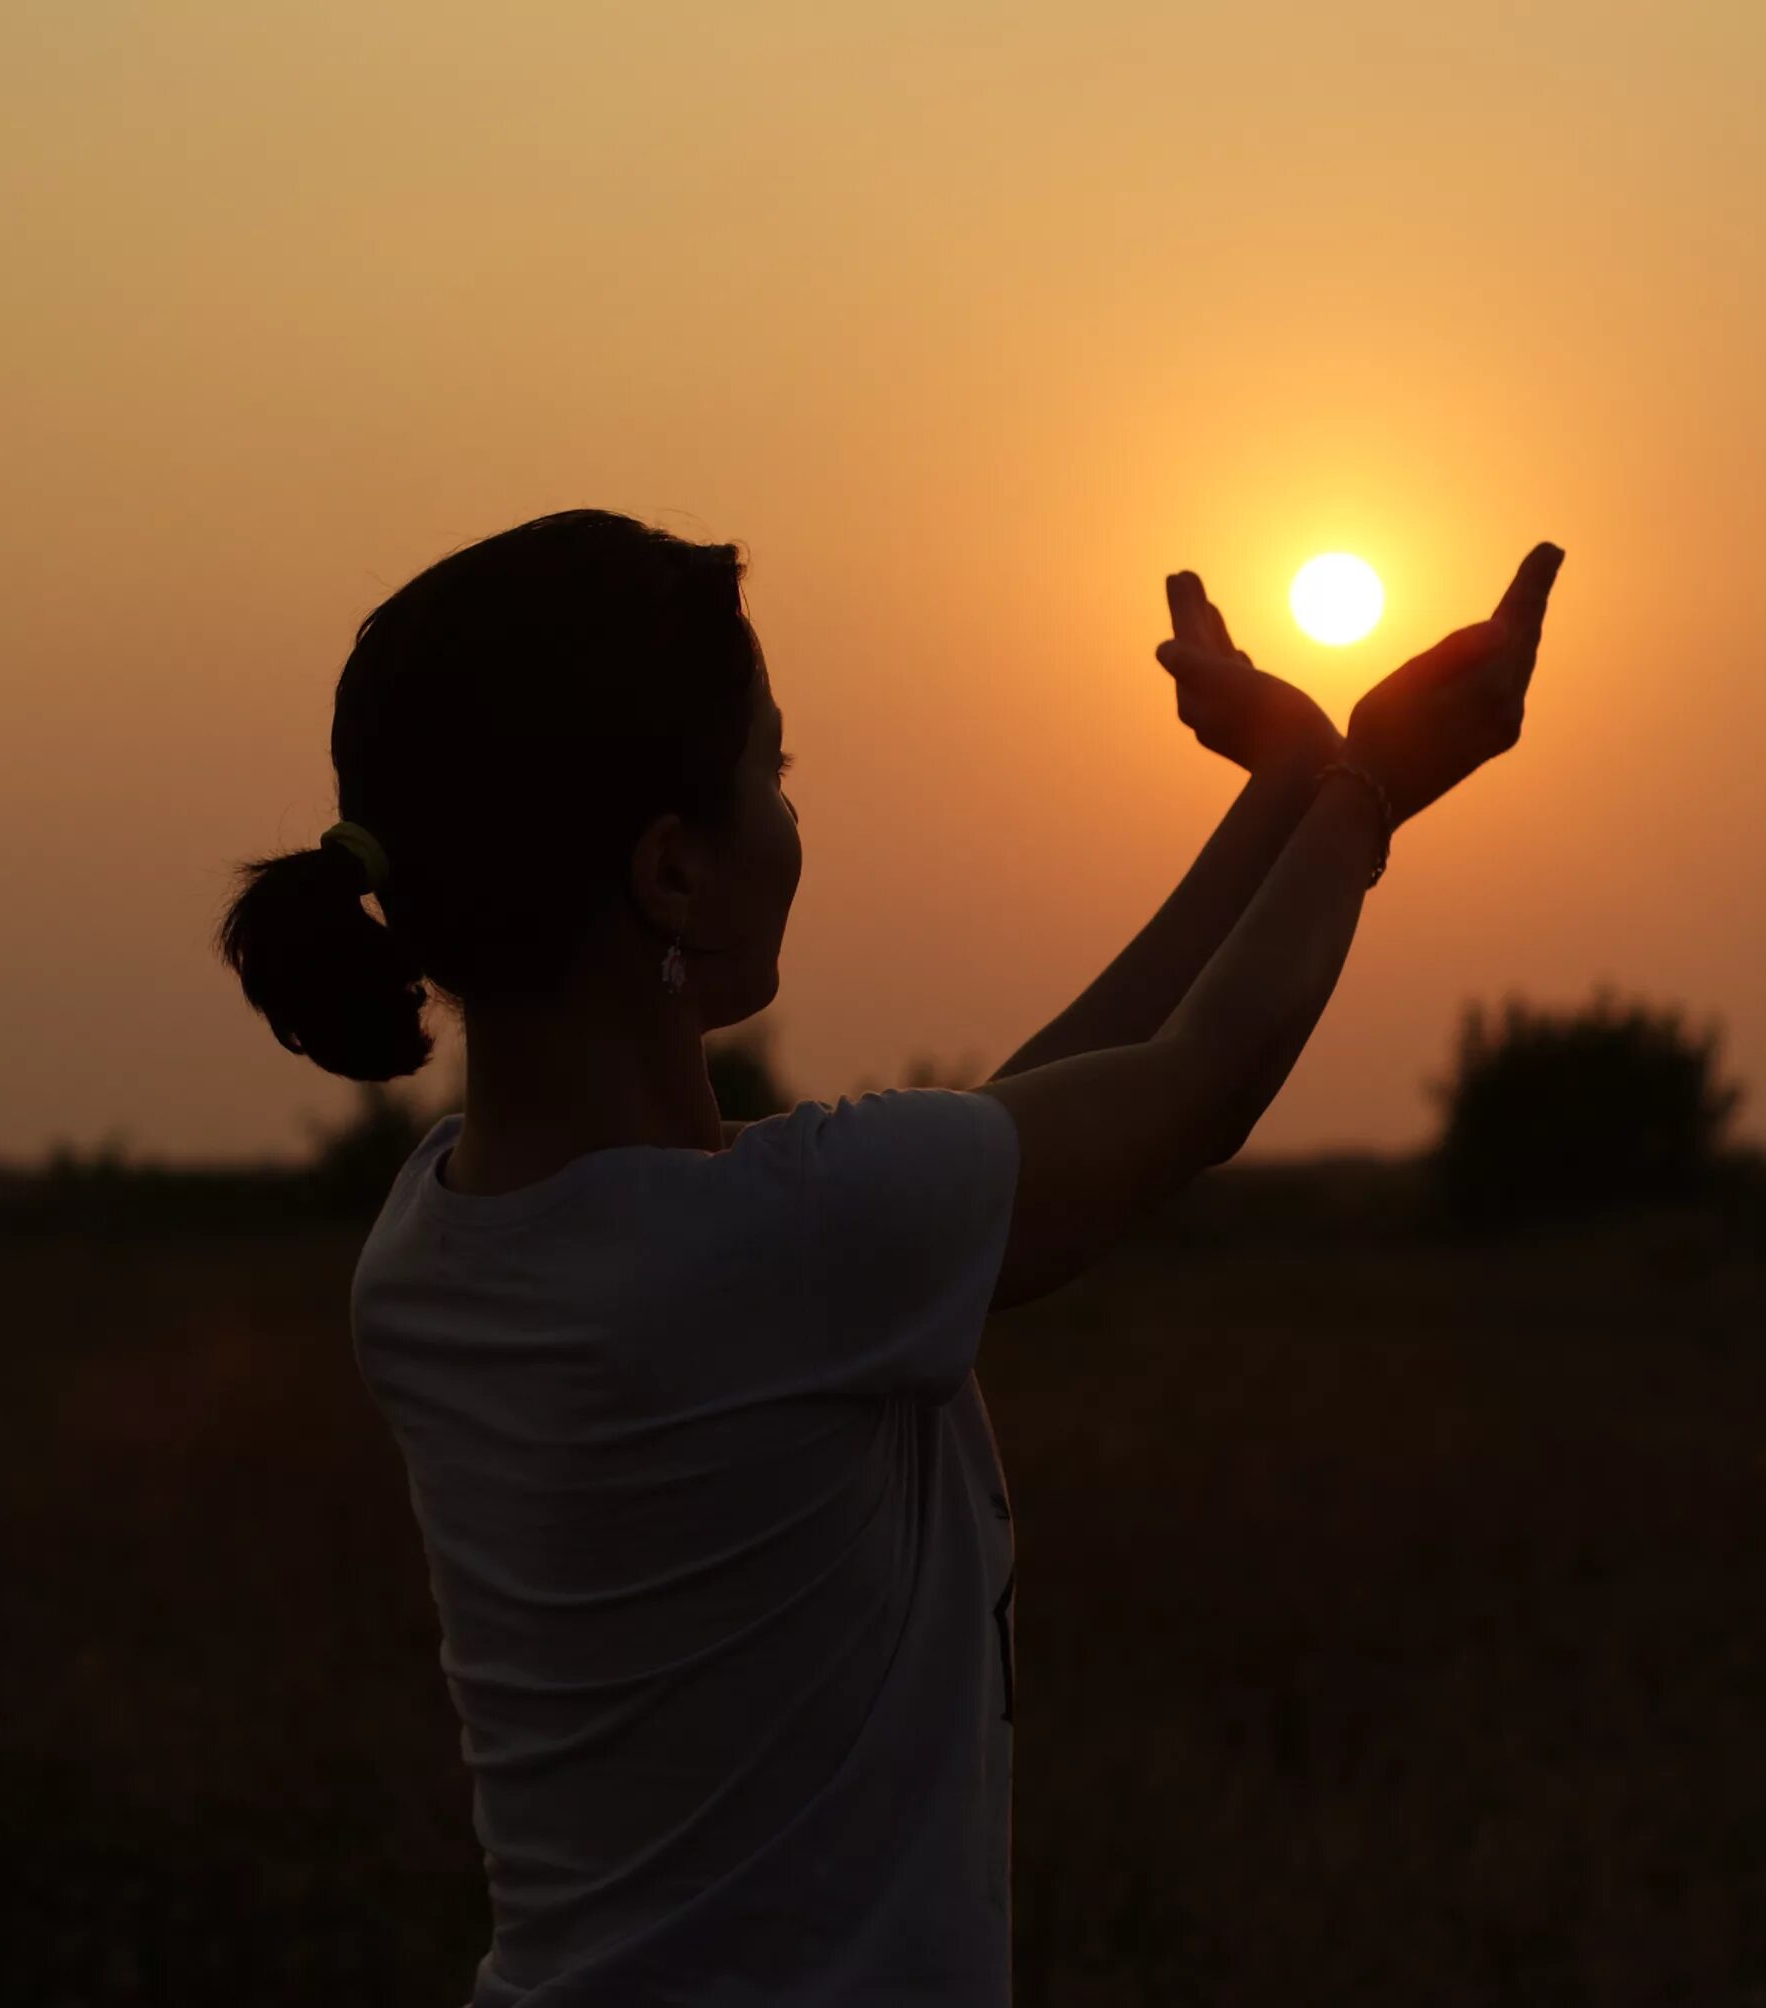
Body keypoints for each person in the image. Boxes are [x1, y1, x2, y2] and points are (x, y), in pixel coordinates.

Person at [224, 509, 1564, 2005]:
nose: (792, 815)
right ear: (673, 875)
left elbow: (1029, 1122)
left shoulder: (430, 1250)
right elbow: (1196, 1083)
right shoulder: (779, 1248)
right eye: (771, 772)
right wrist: (1372, 791)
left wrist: (1296, 788)